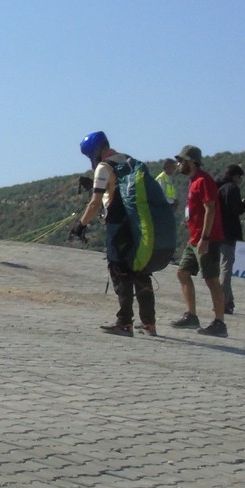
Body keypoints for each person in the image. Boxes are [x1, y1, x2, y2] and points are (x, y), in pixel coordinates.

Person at [70, 131, 157, 336]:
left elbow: (95, 202)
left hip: (118, 225)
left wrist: (80, 225)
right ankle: (149, 322)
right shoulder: (128, 161)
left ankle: (124, 322)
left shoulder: (104, 166)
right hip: (137, 223)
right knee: (140, 271)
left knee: (120, 272)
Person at [170, 145, 228, 337]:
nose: (179, 164)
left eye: (181, 161)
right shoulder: (193, 180)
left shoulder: (204, 180)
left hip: (206, 239)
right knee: (182, 272)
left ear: (191, 162)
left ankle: (220, 322)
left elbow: (210, 209)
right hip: (194, 239)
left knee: (211, 279)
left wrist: (205, 238)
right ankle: (191, 316)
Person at [217, 164, 245, 314]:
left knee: (222, 266)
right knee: (226, 268)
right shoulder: (232, 188)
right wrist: (243, 205)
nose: (239, 180)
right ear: (235, 176)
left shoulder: (218, 188)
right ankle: (223, 302)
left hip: (217, 231)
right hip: (229, 232)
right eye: (239, 177)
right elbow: (236, 209)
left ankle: (228, 300)